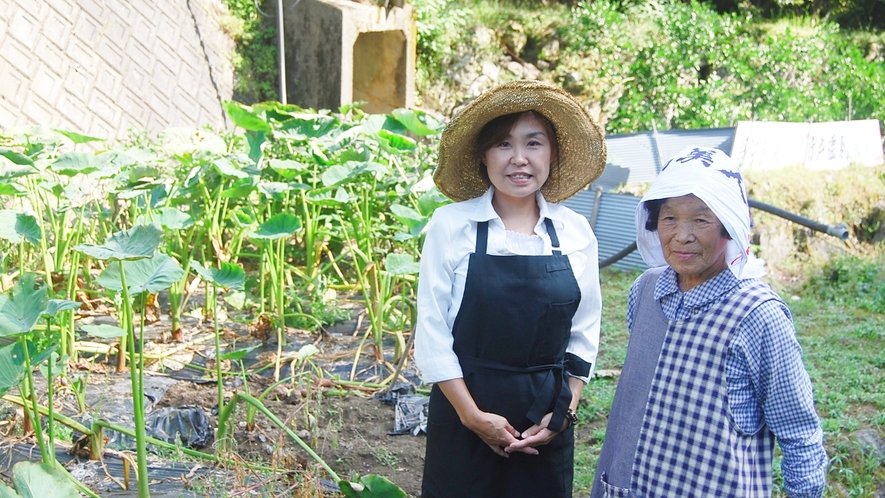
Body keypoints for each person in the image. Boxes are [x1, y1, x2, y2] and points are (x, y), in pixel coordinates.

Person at [591, 146, 828, 497]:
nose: (682, 235)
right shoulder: (647, 290)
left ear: (729, 227)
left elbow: (799, 432)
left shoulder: (758, 314)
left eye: (701, 219)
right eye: (669, 218)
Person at [414, 80, 607, 498]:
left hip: (547, 419)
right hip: (464, 412)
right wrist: (471, 416)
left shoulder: (575, 232)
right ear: (483, 156)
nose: (519, 159)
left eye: (533, 143)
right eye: (503, 144)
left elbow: (584, 331)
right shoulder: (452, 225)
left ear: (551, 155)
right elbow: (431, 333)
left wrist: (563, 413)